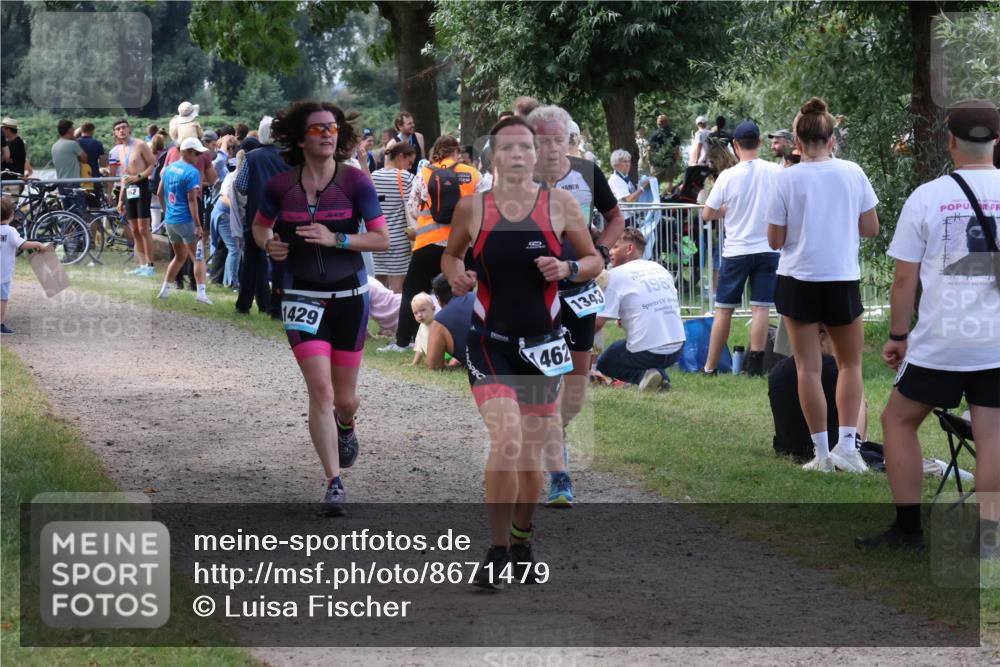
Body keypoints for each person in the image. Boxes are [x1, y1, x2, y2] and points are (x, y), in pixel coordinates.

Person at [441, 115, 602, 589]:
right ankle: (494, 550)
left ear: (537, 156)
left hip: (542, 346)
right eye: (506, 148)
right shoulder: (473, 209)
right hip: (489, 343)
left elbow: (593, 260)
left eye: (524, 148)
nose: (516, 155)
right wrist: (456, 274)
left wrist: (568, 266)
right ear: (493, 155)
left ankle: (521, 540)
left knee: (529, 455)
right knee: (506, 440)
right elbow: (451, 255)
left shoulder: (561, 205)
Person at [857, 100, 1000, 553]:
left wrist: (898, 335)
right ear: (997, 140)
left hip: (942, 339)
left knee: (897, 421)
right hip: (996, 342)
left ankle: (908, 531)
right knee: (992, 432)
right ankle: (988, 537)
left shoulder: (928, 196)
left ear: (951, 140)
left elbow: (905, 278)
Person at [252, 101, 389, 514]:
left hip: (349, 297)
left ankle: (346, 424)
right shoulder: (280, 186)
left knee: (344, 399)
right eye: (318, 129)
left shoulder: (355, 182)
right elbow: (260, 226)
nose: (328, 134)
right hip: (299, 294)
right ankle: (334, 481)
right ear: (300, 138)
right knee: (321, 390)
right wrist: (269, 244)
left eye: (332, 128)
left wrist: (339, 240)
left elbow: (381, 239)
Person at [766, 97, 879, 474]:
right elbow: (871, 228)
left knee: (807, 368)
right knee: (850, 364)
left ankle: (821, 453)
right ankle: (848, 446)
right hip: (841, 277)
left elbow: (775, 240)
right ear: (832, 139)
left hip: (798, 278)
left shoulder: (786, 178)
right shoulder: (853, 173)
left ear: (797, 142)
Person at [529, 104, 625, 507]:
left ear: (570, 139)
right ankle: (558, 469)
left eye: (559, 139)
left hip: (580, 289)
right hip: (536, 292)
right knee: (542, 382)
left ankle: (557, 432)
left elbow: (615, 216)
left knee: (575, 389)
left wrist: (600, 250)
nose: (552, 148)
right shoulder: (520, 176)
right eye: (544, 139)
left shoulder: (586, 173)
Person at [381, 135, 480, 352]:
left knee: (413, 291)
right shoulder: (473, 174)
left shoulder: (424, 174)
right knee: (464, 293)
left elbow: (414, 208)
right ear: (456, 152)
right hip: (464, 246)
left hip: (429, 243)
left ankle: (404, 341)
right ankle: (466, 339)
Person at [701, 121, 782, 377]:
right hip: (768, 248)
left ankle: (710, 366)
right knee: (761, 308)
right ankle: (755, 367)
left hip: (736, 249)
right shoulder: (775, 171)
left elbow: (707, 213)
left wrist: (727, 210)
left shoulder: (727, 176)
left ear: (735, 145)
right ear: (759, 142)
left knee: (724, 309)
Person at [595, 228, 686, 390]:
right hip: (677, 348)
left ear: (629, 249)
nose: (609, 252)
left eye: (615, 247)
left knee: (605, 363)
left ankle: (647, 376)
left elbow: (597, 324)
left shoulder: (615, 275)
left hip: (648, 351)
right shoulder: (660, 269)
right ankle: (658, 378)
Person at [769, 324, 869, 460]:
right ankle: (852, 444)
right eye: (838, 337)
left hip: (788, 448)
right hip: (832, 448)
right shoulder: (837, 370)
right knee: (859, 392)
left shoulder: (777, 370)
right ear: (821, 338)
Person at [235, 116, 290, 316]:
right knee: (280, 263)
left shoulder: (252, 157)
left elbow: (240, 186)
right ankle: (277, 308)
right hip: (284, 217)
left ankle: (244, 305)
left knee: (251, 261)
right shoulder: (290, 157)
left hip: (257, 216)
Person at [155, 137, 214, 304]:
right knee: (198, 257)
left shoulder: (168, 169)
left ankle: (165, 290)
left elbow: (159, 192)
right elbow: (192, 200)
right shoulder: (192, 173)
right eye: (196, 153)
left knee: (179, 256)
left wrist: (166, 211)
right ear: (187, 152)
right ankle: (201, 293)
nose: (198, 157)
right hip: (187, 220)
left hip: (171, 220)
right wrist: (197, 224)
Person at [109, 118, 158, 276]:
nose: (121, 130)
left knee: (144, 228)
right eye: (118, 129)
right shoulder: (119, 149)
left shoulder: (140, 144)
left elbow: (153, 164)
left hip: (141, 185)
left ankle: (150, 265)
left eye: (124, 127)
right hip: (129, 188)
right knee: (134, 229)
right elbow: (124, 175)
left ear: (129, 129)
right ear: (115, 133)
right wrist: (120, 199)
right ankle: (142, 264)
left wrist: (139, 176)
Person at [1, 196, 53, 334]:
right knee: (2, 298)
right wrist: (38, 244)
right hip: (3, 273)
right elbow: (23, 245)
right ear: (12, 215)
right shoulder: (11, 231)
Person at [371, 142, 417, 293]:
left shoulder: (373, 177)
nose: (410, 167)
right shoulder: (407, 178)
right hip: (399, 243)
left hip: (376, 241)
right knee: (398, 292)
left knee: (377, 291)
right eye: (409, 162)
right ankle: (397, 317)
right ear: (400, 156)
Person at [427, 272, 474, 370]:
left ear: (438, 298)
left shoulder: (439, 321)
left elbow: (434, 365)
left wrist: (452, 365)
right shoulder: (483, 298)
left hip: (491, 370)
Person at [51, 119, 87, 212]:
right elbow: (85, 159)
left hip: (61, 183)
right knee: (79, 210)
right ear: (69, 130)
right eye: (73, 128)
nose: (74, 130)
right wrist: (75, 139)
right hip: (73, 182)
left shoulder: (55, 145)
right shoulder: (72, 144)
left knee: (68, 212)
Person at [608, 149, 650, 222]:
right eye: (625, 161)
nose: (628, 164)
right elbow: (628, 200)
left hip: (629, 216)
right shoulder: (615, 179)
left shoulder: (624, 178)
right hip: (623, 219)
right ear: (616, 164)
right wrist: (643, 187)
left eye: (628, 161)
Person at [647, 114, 681, 189]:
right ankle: (667, 198)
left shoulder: (654, 134)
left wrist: (649, 160)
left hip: (657, 164)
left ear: (658, 123)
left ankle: (656, 199)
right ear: (667, 122)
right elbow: (677, 150)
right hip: (670, 162)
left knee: (654, 183)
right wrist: (675, 160)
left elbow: (649, 149)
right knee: (669, 182)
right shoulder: (674, 134)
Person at [76, 122, 105, 200]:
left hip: (79, 179)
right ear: (93, 131)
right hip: (94, 177)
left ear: (81, 130)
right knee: (95, 206)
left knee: (80, 205)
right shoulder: (98, 143)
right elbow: (103, 163)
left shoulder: (76, 143)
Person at [409, 292, 435, 366]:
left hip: (445, 355)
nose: (419, 315)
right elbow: (419, 348)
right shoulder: (421, 327)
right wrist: (414, 364)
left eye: (423, 310)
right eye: (416, 313)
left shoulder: (438, 324)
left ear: (433, 309)